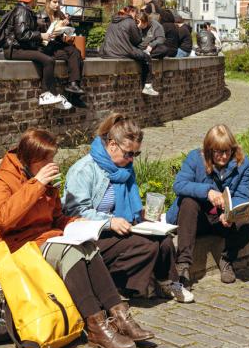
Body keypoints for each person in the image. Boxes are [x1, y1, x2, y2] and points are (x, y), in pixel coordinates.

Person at [0, 128, 142, 348]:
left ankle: (119, 314)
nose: (52, 164)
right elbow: (3, 219)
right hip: (17, 247)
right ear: (31, 159)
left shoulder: (42, 178)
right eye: (46, 159)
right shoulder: (2, 180)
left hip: (44, 238)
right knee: (70, 253)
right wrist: (37, 184)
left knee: (88, 247)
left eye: (52, 158)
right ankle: (96, 326)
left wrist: (76, 222)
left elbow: (55, 217)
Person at [63, 113, 193, 303]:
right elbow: (76, 211)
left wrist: (143, 215)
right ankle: (114, 287)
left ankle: (166, 283)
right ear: (112, 145)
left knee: (164, 240)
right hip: (93, 234)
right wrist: (109, 222)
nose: (132, 159)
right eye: (129, 153)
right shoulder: (84, 170)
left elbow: (129, 206)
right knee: (147, 246)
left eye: (136, 154)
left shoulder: (124, 170)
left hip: (120, 227)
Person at [167, 124, 249, 286]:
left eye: (227, 151)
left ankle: (227, 259)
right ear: (209, 150)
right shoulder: (195, 158)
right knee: (188, 202)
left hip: (221, 218)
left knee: (248, 224)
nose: (223, 156)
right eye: (218, 152)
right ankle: (183, 264)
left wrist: (230, 213)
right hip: (197, 217)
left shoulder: (243, 163)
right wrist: (207, 192)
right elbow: (179, 185)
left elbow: (242, 195)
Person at [6, 0, 71, 109]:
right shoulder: (22, 11)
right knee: (48, 60)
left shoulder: (25, 10)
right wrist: (41, 35)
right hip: (15, 49)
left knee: (48, 58)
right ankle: (45, 94)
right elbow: (22, 34)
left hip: (20, 48)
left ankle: (54, 95)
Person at [101, 7, 158, 97]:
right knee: (146, 57)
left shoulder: (113, 21)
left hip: (107, 52)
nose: (136, 16)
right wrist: (138, 27)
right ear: (131, 12)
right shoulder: (130, 22)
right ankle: (147, 86)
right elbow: (137, 40)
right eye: (135, 13)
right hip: (121, 52)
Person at [39, 0, 84, 99]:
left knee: (76, 52)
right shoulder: (41, 15)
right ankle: (74, 95)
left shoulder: (59, 13)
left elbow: (70, 30)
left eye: (58, 2)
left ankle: (73, 84)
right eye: (54, 2)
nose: (57, 5)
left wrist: (67, 23)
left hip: (58, 43)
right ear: (48, 1)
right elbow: (39, 33)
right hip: (47, 46)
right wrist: (50, 32)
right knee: (74, 57)